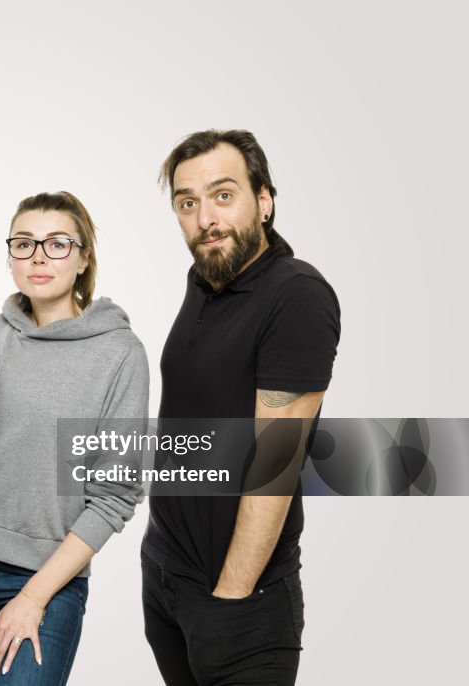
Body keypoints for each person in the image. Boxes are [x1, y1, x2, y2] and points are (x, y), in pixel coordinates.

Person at [141, 130, 341, 685]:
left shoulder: (295, 294)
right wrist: (157, 561)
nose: (205, 218)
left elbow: (276, 464)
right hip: (167, 580)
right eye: (188, 202)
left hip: (240, 602)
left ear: (265, 200)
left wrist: (231, 595)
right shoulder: (206, 279)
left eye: (223, 195)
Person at [0, 192, 148, 685]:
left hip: (47, 582)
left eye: (57, 243)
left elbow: (114, 496)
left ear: (84, 256)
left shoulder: (118, 354)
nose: (39, 257)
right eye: (24, 244)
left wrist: (32, 597)